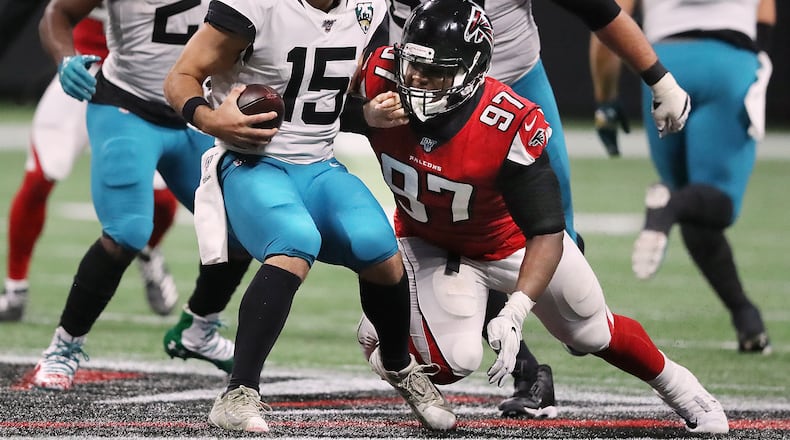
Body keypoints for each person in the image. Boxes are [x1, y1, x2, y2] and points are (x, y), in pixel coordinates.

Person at [355, 0, 729, 434]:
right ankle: (382, 331)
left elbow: (547, 230)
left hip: (508, 243)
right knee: (454, 360)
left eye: (436, 73)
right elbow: (317, 114)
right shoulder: (378, 76)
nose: (417, 83)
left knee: (590, 329)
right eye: (413, 68)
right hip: (427, 242)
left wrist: (516, 309)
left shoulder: (506, 122)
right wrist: (362, 115)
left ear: (470, 74)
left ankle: (685, 391)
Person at [162, 0, 454, 433]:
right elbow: (180, 77)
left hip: (318, 164)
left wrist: (367, 114)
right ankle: (238, 393)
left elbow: (325, 96)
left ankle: (397, 364)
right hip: (250, 162)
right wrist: (210, 119)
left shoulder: (368, 6)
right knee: (294, 242)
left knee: (377, 243)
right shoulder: (257, 7)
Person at [29, 0, 254, 391]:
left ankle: (199, 329)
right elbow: (58, 13)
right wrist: (65, 59)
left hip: (195, 114)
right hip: (126, 107)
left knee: (242, 230)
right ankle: (63, 347)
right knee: (127, 232)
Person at [589, 0, 774, 354]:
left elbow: (608, 17)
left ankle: (745, 316)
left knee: (692, 201)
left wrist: (605, 99)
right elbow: (765, 15)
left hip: (664, 67)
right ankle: (666, 208)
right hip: (729, 61)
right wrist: (751, 65)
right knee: (717, 202)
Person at [0, 8, 181, 321]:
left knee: (163, 200)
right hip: (84, 68)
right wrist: (66, 59)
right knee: (40, 177)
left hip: (137, 83)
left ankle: (149, 251)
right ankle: (15, 287)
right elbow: (51, 13)